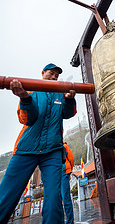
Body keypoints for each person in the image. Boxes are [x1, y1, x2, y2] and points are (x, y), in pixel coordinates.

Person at [0, 63, 76, 224]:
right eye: (51, 73)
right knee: (7, 194)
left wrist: (69, 100)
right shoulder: (31, 89)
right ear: (42, 73)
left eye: (57, 75)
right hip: (26, 148)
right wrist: (25, 98)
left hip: (53, 150)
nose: (54, 77)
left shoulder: (60, 94)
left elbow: (68, 114)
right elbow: (28, 119)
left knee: (55, 197)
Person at [61, 141, 75, 224]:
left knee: (65, 198)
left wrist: (69, 170)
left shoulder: (65, 146)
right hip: (57, 173)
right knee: (58, 199)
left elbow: (71, 159)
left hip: (64, 171)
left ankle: (70, 222)